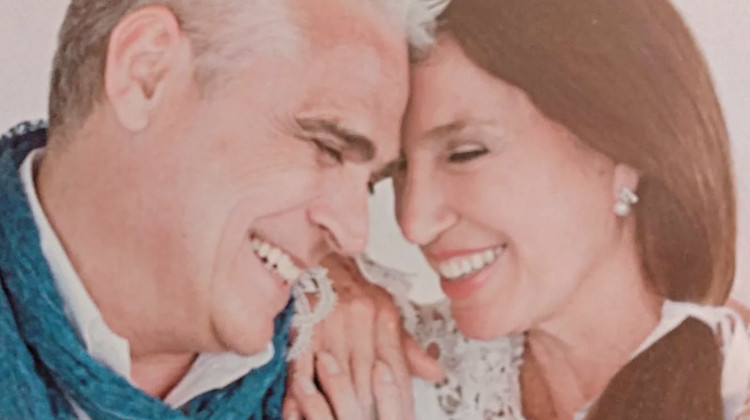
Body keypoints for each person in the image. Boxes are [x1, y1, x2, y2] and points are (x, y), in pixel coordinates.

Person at [0, 0, 442, 419]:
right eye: (326, 146)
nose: (353, 235)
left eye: (370, 184)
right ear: (147, 73)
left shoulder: (379, 385)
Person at [310, 0, 750, 418]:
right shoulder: (381, 365)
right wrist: (323, 286)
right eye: (398, 172)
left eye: (465, 154)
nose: (414, 223)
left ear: (624, 152)